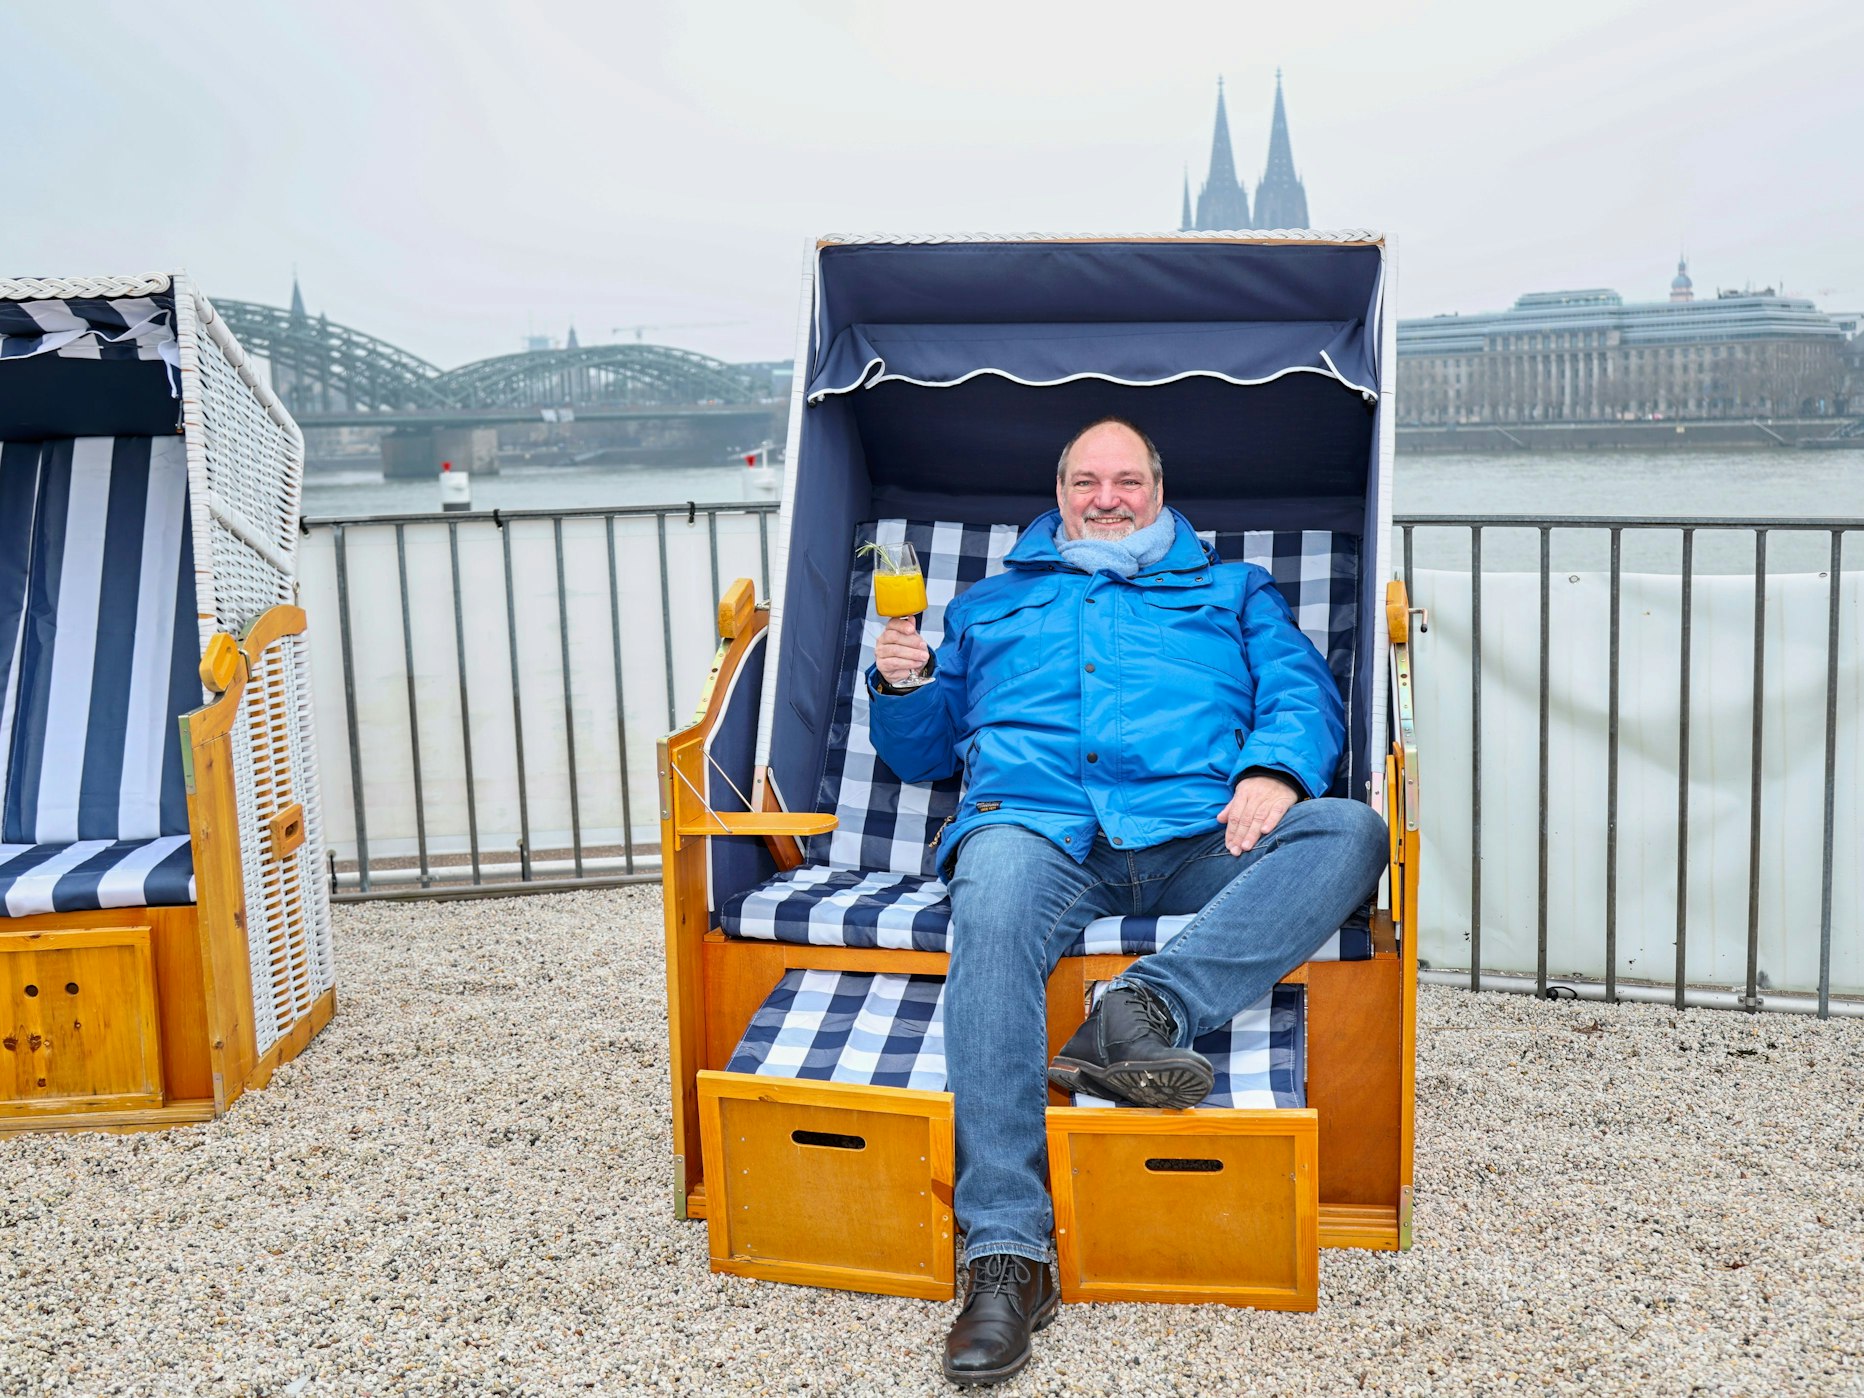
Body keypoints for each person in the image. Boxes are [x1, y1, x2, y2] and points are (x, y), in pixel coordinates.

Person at [866, 417, 1388, 1387]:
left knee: (1349, 832)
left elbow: (1298, 692)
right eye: (1084, 481)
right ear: (1057, 491)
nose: (1105, 498)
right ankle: (1006, 1255)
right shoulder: (990, 603)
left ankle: (1140, 1012)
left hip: (1200, 827)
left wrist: (1275, 769)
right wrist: (905, 686)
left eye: (1125, 481)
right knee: (988, 909)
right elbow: (923, 756)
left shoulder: (1231, 589)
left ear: (1158, 488)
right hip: (1035, 826)